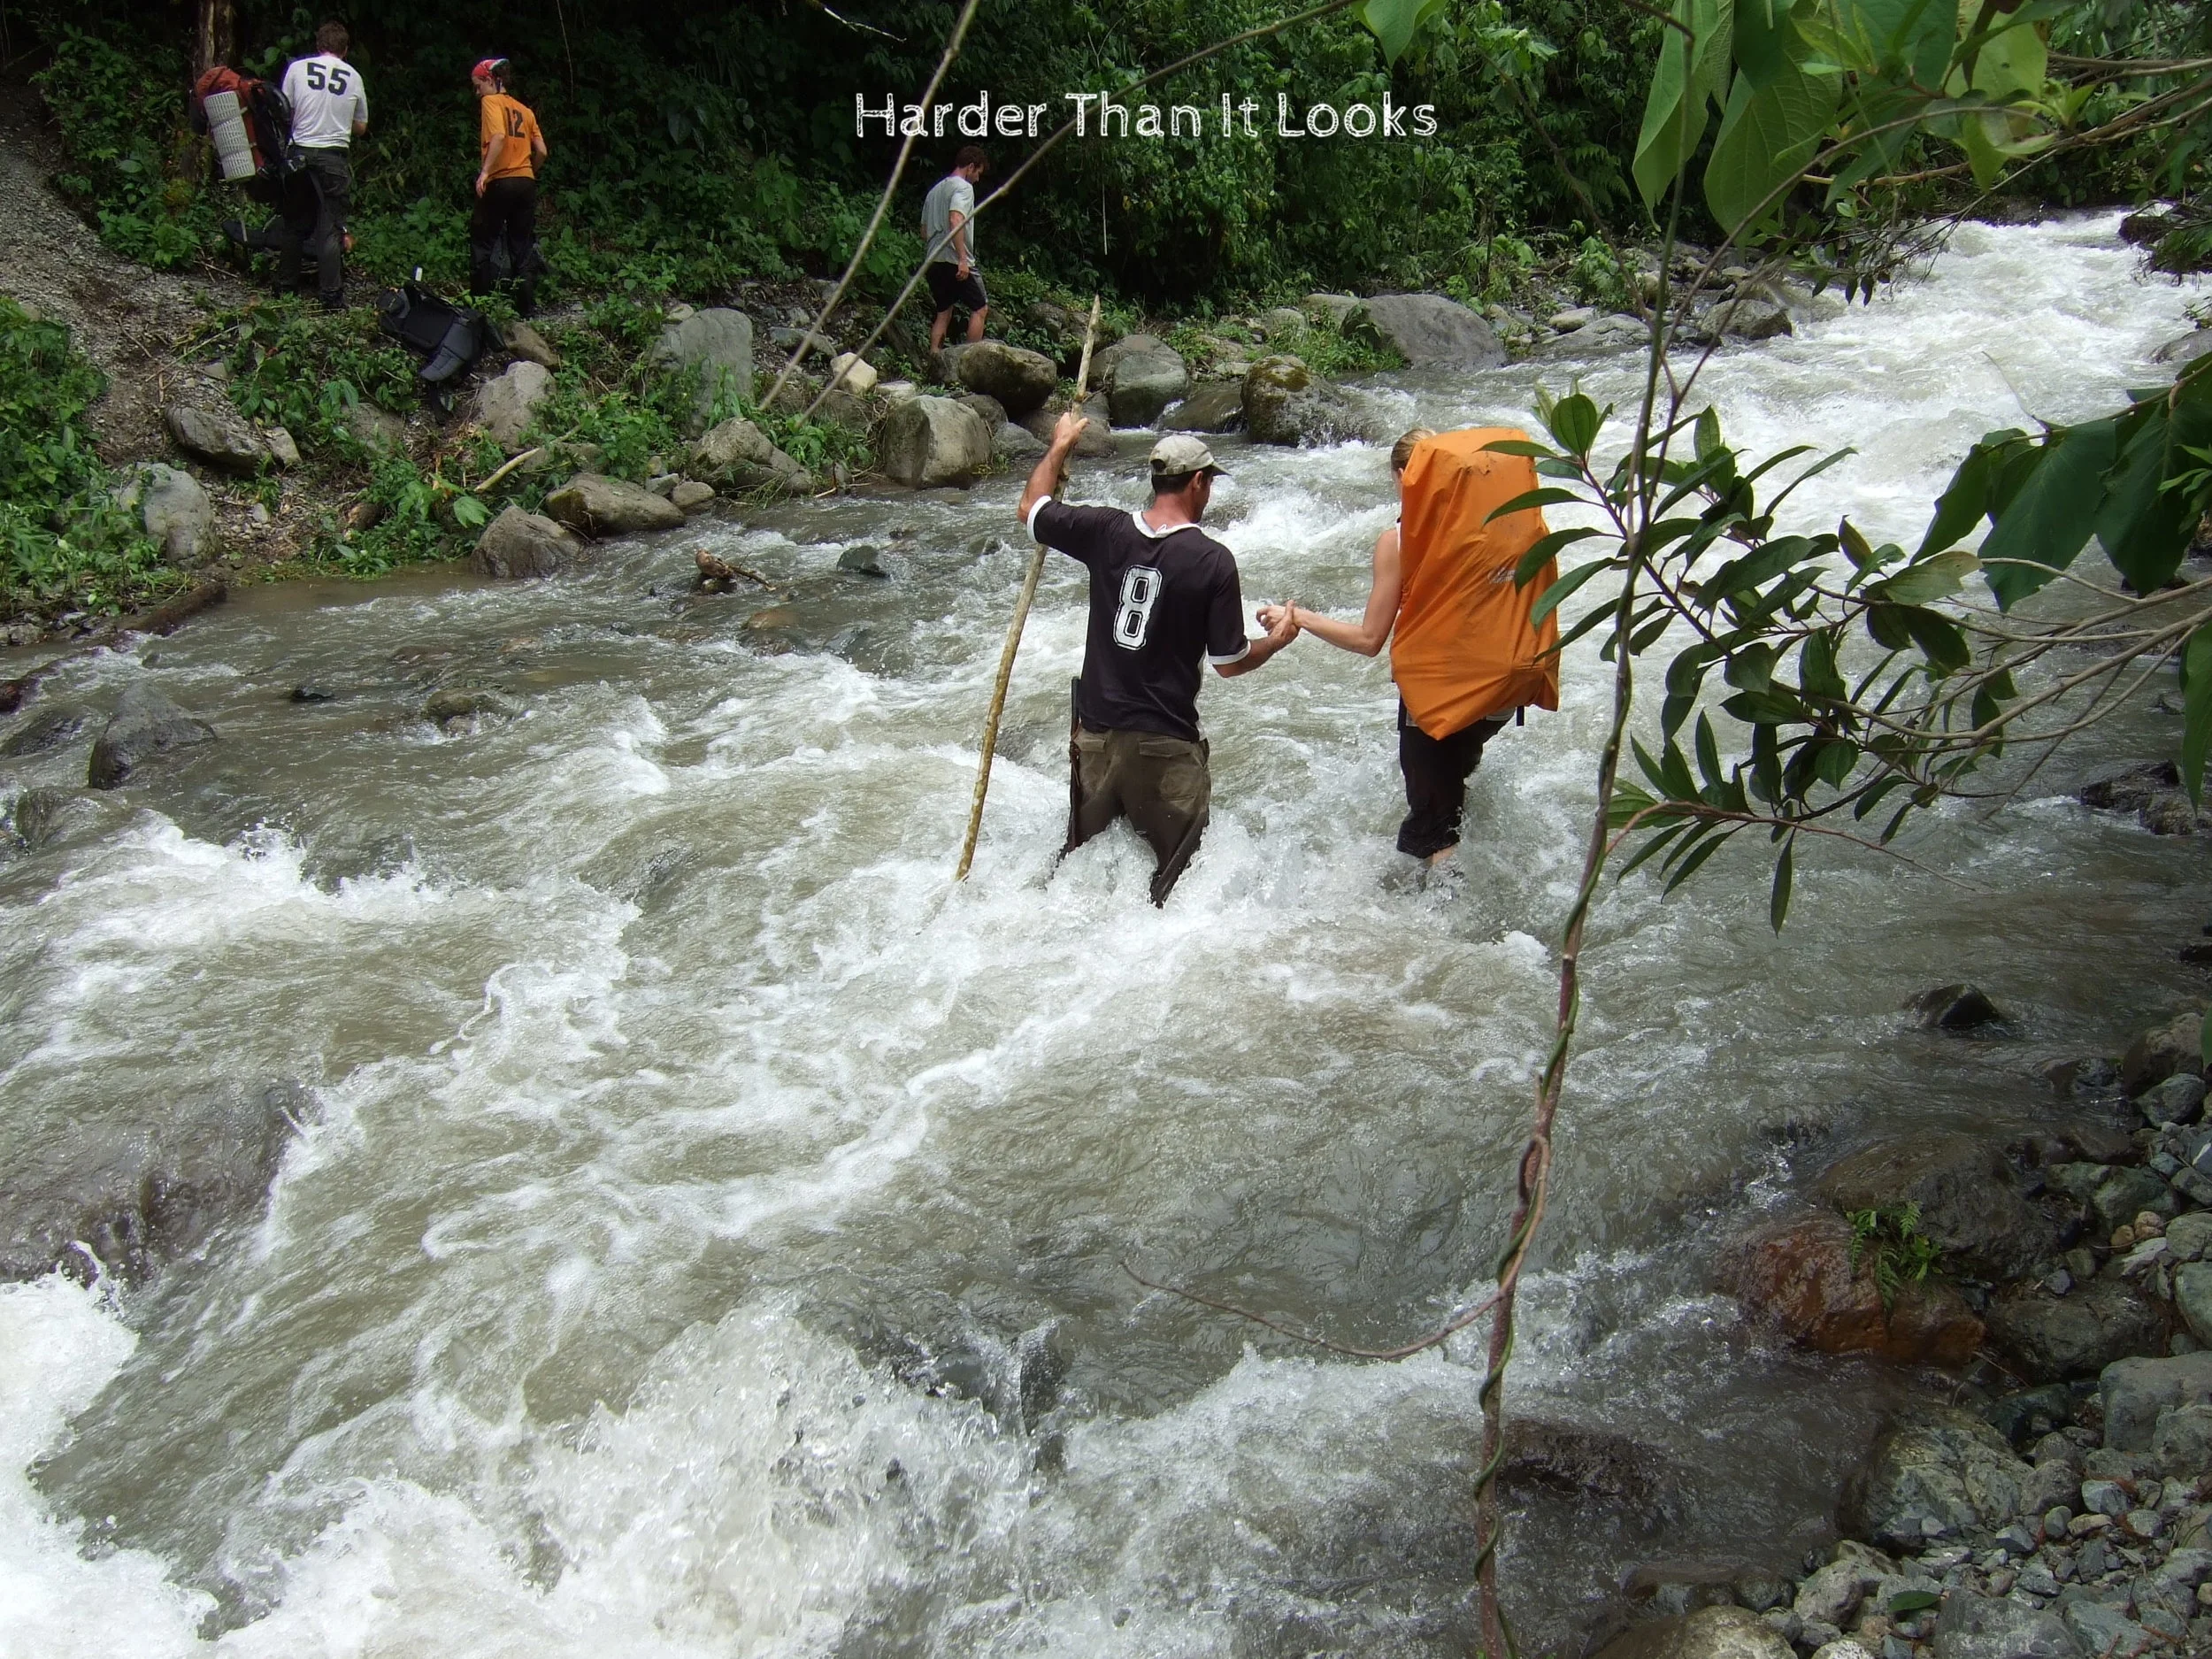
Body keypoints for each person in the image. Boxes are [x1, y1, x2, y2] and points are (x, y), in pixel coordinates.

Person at [1017, 419, 1300, 904]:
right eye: (1208, 482)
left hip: (1097, 738)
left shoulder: (1105, 530)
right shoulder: (1212, 560)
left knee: (1082, 875)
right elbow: (1229, 662)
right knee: (1177, 886)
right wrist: (1277, 640)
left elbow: (1032, 507)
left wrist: (1060, 444)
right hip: (1164, 746)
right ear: (1197, 482)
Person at [1261, 426, 1560, 874]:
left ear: (1406, 475)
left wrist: (1301, 617)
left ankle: (1443, 925)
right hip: (1505, 690)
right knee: (1452, 780)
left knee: (1431, 829)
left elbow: (1369, 640)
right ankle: (1458, 823)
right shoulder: (1511, 525)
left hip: (1440, 698)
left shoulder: (1398, 541)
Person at [278, 20, 367, 310]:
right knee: (329, 228)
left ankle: (285, 288)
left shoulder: (296, 69)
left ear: (318, 45)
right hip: (333, 157)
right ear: (345, 50)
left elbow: (285, 111)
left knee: (294, 222)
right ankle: (330, 297)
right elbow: (362, 126)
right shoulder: (353, 77)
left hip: (299, 152)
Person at [470, 58, 548, 315]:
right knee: (521, 244)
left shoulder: (490, 102)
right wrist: (528, 172)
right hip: (526, 182)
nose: (477, 92)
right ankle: (527, 308)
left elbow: (499, 136)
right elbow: (542, 151)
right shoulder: (525, 110)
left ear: (490, 80)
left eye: (478, 85)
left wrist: (485, 173)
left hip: (501, 180)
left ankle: (478, 307)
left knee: (483, 240)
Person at [922, 145, 990, 354]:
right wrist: (962, 258)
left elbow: (923, 231)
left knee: (944, 311)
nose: (978, 179)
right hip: (955, 260)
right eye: (978, 173)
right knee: (980, 308)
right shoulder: (963, 188)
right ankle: (968, 361)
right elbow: (956, 218)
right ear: (970, 167)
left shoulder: (934, 191)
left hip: (933, 260)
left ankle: (934, 360)